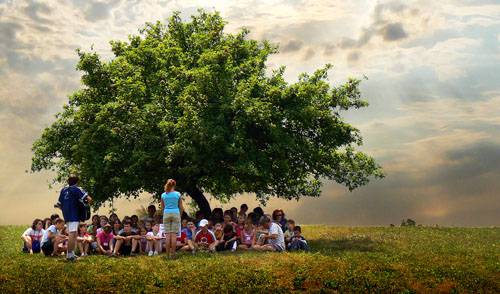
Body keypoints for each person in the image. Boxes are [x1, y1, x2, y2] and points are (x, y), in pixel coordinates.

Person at [56, 174, 93, 261]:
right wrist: (85, 205)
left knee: (74, 233)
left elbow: (59, 204)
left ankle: (71, 253)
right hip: (74, 214)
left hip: (67, 215)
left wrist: (66, 209)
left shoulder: (63, 189)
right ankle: (69, 255)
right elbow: (89, 199)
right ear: (77, 182)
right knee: (72, 234)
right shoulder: (77, 188)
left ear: (68, 181)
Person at [160, 179, 184, 259]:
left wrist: (164, 214)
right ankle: (173, 254)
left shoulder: (163, 195)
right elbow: (181, 206)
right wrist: (179, 215)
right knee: (174, 235)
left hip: (166, 213)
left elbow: (162, 207)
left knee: (167, 235)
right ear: (174, 185)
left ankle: (167, 255)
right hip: (176, 213)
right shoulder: (178, 194)